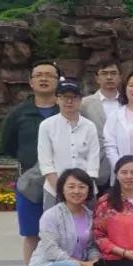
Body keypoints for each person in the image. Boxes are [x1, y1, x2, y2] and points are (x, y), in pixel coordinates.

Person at [3, 60, 61, 266]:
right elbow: (8, 145)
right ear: (31, 82)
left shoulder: (65, 110)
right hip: (30, 180)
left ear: (57, 81)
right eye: (39, 75)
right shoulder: (19, 113)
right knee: (31, 232)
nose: (44, 79)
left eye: (49, 75)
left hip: (61, 181)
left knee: (62, 231)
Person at [28, 168, 107, 266]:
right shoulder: (51, 215)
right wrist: (82, 265)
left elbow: (91, 245)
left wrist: (94, 261)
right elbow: (51, 251)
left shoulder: (90, 216)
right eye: (71, 186)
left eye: (82, 187)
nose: (76, 191)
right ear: (62, 189)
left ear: (89, 190)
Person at [37, 79, 100, 210]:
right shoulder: (46, 126)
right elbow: (46, 163)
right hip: (54, 190)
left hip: (85, 190)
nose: (69, 101)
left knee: (87, 223)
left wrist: (81, 190)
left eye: (74, 97)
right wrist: (62, 191)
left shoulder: (89, 126)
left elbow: (93, 163)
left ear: (80, 100)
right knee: (54, 222)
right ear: (57, 99)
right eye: (65, 97)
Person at [80, 57, 121, 190]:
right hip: (96, 167)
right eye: (104, 73)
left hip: (124, 166)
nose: (109, 77)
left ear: (120, 77)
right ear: (97, 78)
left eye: (113, 73)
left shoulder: (128, 102)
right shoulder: (84, 104)